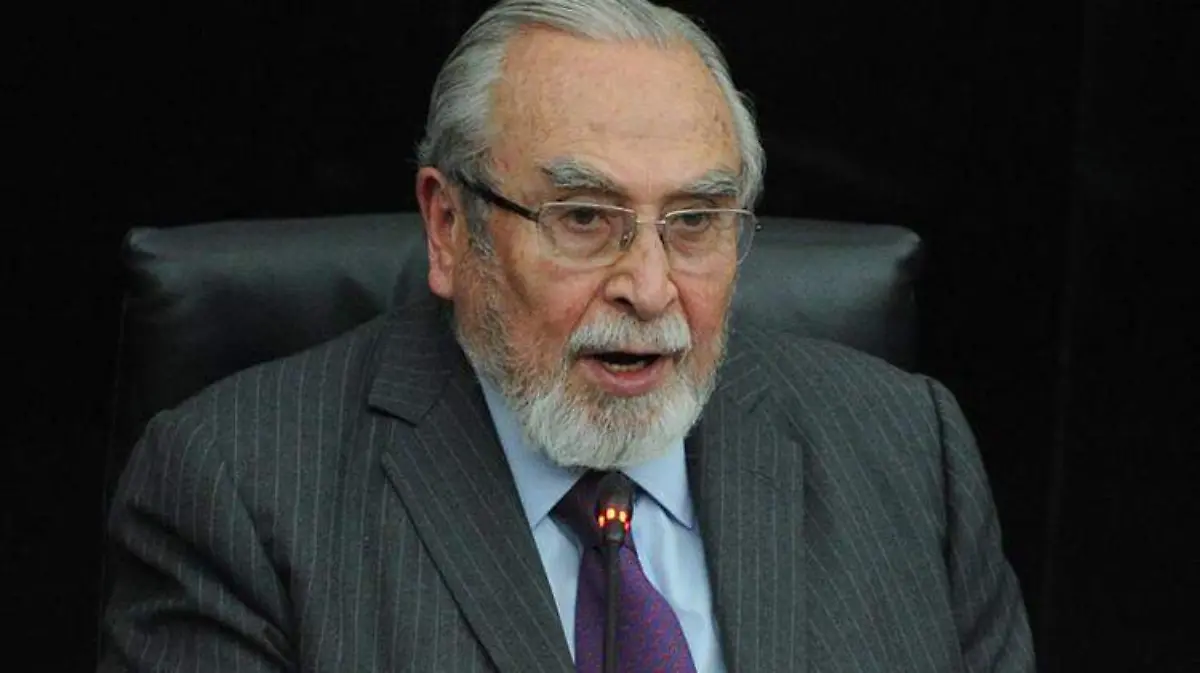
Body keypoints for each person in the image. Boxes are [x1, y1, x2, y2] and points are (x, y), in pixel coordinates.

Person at [99, 0, 1035, 671]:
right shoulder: (236, 493)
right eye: (585, 218)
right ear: (448, 228)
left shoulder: (908, 452)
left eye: (696, 221)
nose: (649, 288)